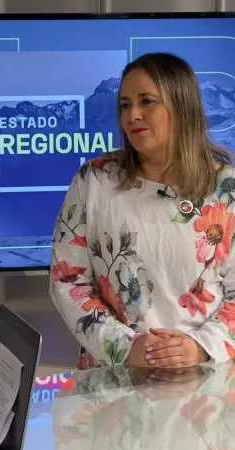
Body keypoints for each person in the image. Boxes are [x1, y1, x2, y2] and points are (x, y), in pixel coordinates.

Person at [49, 52, 235, 370]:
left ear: (181, 106)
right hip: (112, 381)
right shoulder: (93, 180)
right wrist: (127, 348)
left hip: (205, 381)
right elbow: (68, 280)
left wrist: (200, 347)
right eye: (125, 105)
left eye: (146, 101)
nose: (132, 115)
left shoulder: (225, 188)